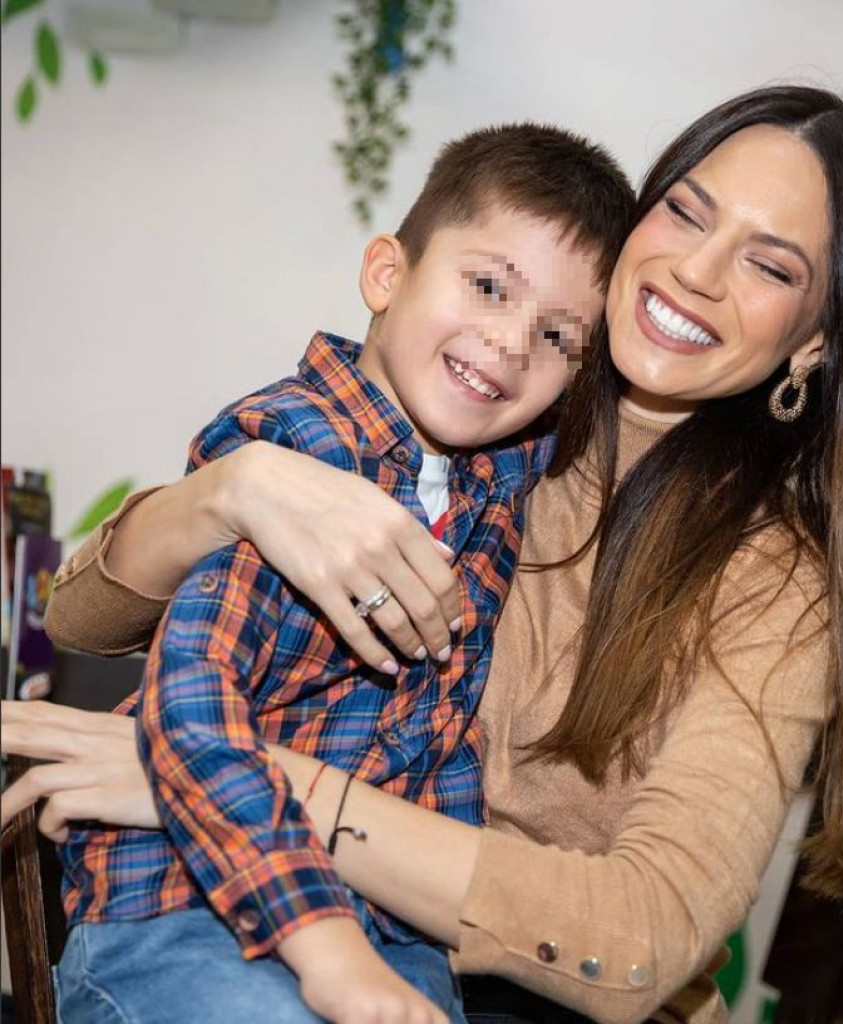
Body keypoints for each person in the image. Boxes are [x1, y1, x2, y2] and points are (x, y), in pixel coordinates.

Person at [2, 85, 843, 1024]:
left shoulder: (778, 581)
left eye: (768, 265)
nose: (697, 269)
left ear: (813, 341)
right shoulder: (481, 423)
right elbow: (81, 616)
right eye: (686, 212)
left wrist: (225, 778)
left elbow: (645, 935)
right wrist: (234, 489)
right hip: (297, 938)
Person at [38, 124, 632, 1024]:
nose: (513, 342)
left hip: (392, 927)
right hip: (188, 904)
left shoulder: (499, 474)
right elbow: (192, 701)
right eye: (487, 286)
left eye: (557, 335)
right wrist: (324, 947)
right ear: (386, 275)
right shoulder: (298, 448)